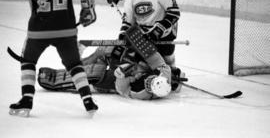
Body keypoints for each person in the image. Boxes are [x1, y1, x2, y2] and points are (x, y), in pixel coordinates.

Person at [9, 0, 98, 117]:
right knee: (74, 65)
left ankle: (26, 99)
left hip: (38, 31)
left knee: (28, 61)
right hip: (66, 30)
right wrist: (87, 7)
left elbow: (34, 11)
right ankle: (87, 100)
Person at [37, 36, 186, 100]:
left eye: (149, 85)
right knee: (107, 50)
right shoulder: (164, 73)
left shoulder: (142, 93)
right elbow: (154, 58)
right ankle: (75, 66)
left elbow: (123, 90)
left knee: (96, 72)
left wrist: (122, 75)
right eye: (151, 80)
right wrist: (140, 43)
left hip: (116, 81)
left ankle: (57, 79)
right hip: (131, 65)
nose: (148, 82)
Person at [116, 0, 180, 68]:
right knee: (143, 65)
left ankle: (173, 70)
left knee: (169, 60)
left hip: (164, 36)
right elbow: (128, 22)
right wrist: (123, 36)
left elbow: (174, 13)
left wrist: (158, 30)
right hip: (144, 38)